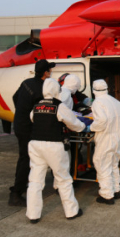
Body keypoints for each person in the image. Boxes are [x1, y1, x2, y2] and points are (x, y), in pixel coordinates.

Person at [26, 78, 86, 223]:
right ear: (56, 90)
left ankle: (33, 214)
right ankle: (71, 211)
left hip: (35, 144)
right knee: (63, 179)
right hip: (54, 145)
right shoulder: (59, 106)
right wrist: (83, 127)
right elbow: (73, 123)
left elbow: (33, 119)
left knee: (35, 180)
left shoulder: (36, 106)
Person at [9, 59, 55, 207]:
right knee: (26, 159)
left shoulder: (26, 82)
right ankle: (16, 193)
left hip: (19, 124)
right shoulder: (43, 87)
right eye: (50, 70)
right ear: (45, 73)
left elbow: (15, 98)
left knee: (24, 157)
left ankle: (20, 189)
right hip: (27, 128)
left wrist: (22, 112)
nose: (51, 72)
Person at [89, 79, 120, 204]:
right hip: (116, 137)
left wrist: (91, 127)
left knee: (102, 164)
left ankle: (107, 195)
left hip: (105, 137)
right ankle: (116, 189)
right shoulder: (116, 101)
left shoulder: (98, 102)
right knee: (113, 164)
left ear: (94, 90)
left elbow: (102, 121)